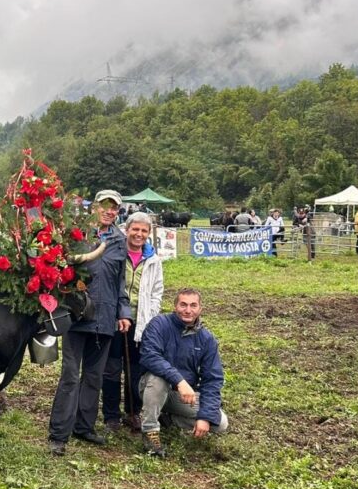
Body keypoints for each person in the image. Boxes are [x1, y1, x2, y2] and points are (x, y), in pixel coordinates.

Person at [48, 189, 131, 456]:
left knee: (94, 376)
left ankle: (84, 427)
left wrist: (123, 312)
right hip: (77, 315)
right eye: (105, 206)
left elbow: (120, 281)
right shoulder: (77, 235)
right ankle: (59, 435)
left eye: (114, 208)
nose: (109, 211)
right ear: (94, 207)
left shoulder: (120, 240)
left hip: (106, 318)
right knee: (71, 376)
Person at [137, 288, 228, 457]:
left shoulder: (207, 339)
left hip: (181, 396)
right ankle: (150, 432)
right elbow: (149, 356)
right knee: (158, 379)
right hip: (151, 388)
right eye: (183, 305)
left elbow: (212, 380)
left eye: (193, 305)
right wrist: (180, 381)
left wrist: (205, 417)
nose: (188, 310)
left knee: (220, 423)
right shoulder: (159, 324)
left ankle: (168, 420)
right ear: (175, 306)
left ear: (200, 309)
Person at [102, 212, 163, 433]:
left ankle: (132, 412)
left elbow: (157, 291)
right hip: (114, 319)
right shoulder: (116, 253)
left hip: (141, 322)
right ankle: (111, 416)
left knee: (135, 369)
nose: (139, 234)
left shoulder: (154, 260)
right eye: (135, 229)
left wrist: (150, 317)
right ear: (126, 230)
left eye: (144, 231)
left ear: (149, 233)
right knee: (111, 368)